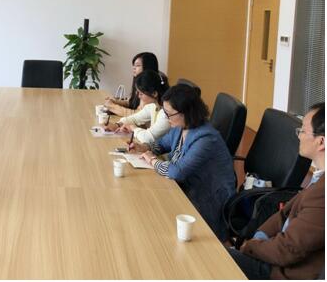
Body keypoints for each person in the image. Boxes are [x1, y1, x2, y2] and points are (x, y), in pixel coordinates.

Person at [228, 102, 325, 280]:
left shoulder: (322, 194)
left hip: (280, 271)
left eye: (303, 131)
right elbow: (284, 213)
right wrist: (260, 236)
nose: (299, 136)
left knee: (211, 260)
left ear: (321, 142)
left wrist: (251, 247)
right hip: (273, 252)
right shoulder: (319, 178)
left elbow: (287, 250)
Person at [139, 85, 236, 241]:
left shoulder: (205, 139)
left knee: (155, 212)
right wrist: (144, 147)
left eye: (169, 114)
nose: (166, 117)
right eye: (165, 112)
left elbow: (177, 172)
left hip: (208, 199)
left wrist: (152, 160)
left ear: (186, 112)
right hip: (186, 188)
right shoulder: (181, 126)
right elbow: (162, 144)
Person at [104, 69, 170, 150]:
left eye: (141, 93)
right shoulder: (153, 105)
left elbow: (148, 138)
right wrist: (118, 125)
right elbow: (134, 118)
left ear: (154, 93)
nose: (138, 96)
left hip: (162, 154)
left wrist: (132, 128)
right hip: (152, 150)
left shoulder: (166, 113)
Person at [105, 52, 160, 117]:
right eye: (133, 65)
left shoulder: (150, 87)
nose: (134, 68)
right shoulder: (140, 82)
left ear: (148, 66)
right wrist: (115, 101)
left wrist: (112, 106)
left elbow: (137, 115)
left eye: (138, 65)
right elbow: (132, 102)